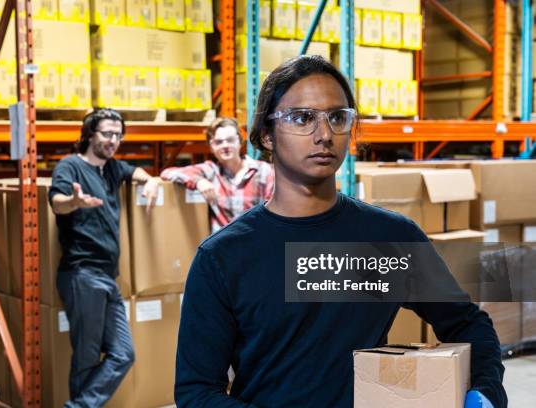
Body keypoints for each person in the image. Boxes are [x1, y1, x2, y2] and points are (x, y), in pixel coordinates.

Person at [174, 56, 506, 407]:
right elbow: (197, 392)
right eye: (302, 118)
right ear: (266, 135)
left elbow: (468, 323)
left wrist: (485, 392)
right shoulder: (224, 257)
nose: (324, 135)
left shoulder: (389, 240)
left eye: (337, 117)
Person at [49, 108, 161, 407]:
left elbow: (135, 173)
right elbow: (57, 203)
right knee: (86, 357)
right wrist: (73, 201)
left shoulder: (112, 169)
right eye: (107, 133)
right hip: (82, 273)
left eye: (118, 135)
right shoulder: (70, 166)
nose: (113, 140)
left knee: (124, 353)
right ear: (89, 134)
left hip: (108, 277)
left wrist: (150, 180)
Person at [160, 117, 274, 232]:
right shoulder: (211, 172)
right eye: (218, 142)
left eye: (230, 140)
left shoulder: (264, 171)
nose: (225, 146)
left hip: (257, 243)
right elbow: (168, 172)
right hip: (223, 247)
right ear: (211, 147)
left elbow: (275, 214)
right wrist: (199, 181)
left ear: (240, 141)